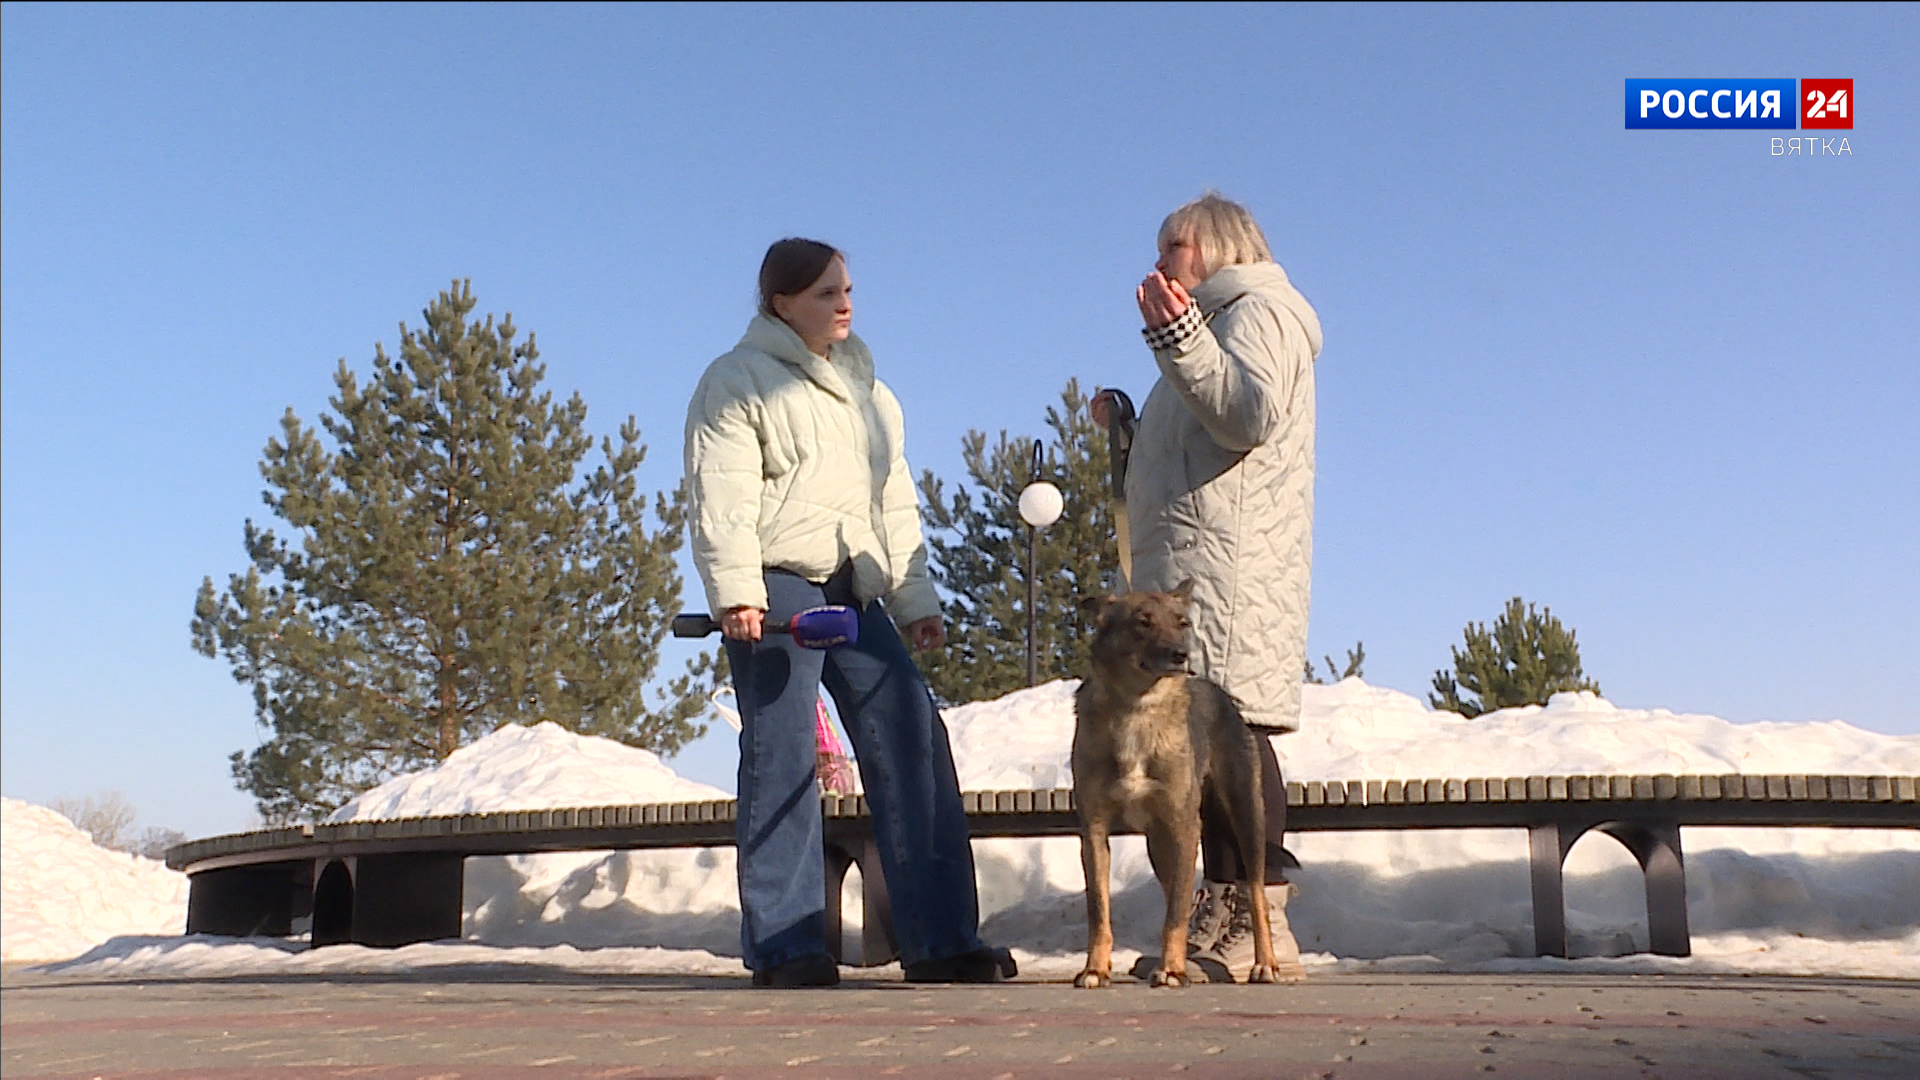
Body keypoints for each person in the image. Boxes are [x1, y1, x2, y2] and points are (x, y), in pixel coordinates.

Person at [684, 237, 1008, 988]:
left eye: (849, 289)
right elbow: (721, 495)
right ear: (781, 303)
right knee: (783, 753)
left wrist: (914, 599)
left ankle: (941, 940)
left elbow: (893, 505)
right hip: (776, 585)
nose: (846, 304)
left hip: (856, 589)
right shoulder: (736, 381)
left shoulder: (872, 394)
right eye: (828, 292)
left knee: (913, 739)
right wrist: (736, 591)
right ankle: (787, 944)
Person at [1092, 192, 1322, 982]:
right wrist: (1130, 425)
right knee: (1207, 740)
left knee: (1234, 735)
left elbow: (1247, 413)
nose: (1161, 262)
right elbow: (1198, 437)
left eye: (1176, 245)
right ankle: (1225, 910)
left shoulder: (1261, 312)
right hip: (1196, 564)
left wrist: (1178, 335)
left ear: (1222, 244)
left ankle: (1263, 914)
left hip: (1229, 566)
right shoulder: (1219, 324)